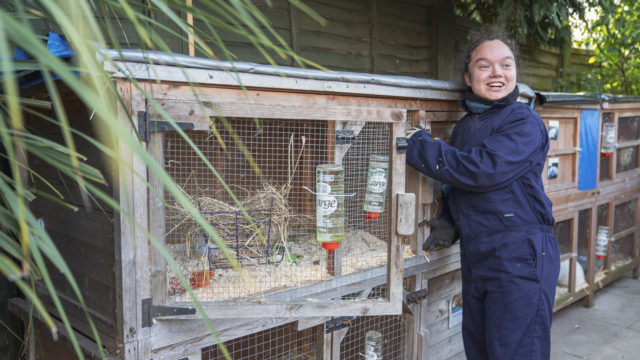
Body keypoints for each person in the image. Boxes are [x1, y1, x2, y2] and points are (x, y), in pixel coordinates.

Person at [405, 27, 560, 360]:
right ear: (468, 75)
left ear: (516, 74)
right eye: (484, 65)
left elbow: (482, 171)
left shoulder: (523, 122)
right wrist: (449, 219)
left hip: (520, 254)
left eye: (506, 65)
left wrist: (417, 146)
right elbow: (460, 183)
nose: (497, 73)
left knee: (515, 352)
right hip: (479, 254)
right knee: (480, 349)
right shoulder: (465, 127)